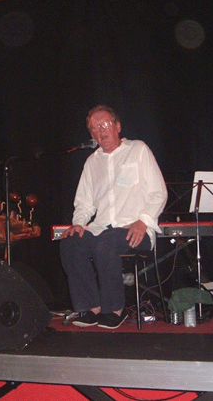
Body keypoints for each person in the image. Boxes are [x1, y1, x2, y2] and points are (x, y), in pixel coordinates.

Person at [60, 105, 168, 329]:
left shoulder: (138, 149)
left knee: (105, 243)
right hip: (101, 228)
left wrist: (143, 221)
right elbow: (84, 202)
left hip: (135, 228)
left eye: (105, 125)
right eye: (94, 128)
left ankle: (115, 309)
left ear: (117, 126)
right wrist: (79, 224)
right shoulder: (92, 162)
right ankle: (91, 307)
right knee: (71, 242)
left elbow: (159, 193)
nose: (100, 131)